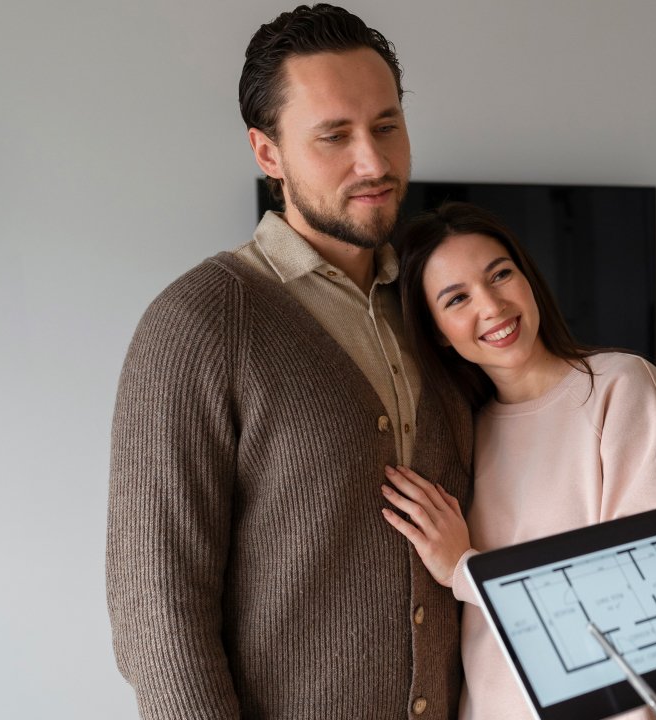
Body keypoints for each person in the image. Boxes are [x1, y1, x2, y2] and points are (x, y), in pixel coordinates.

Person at [106, 5, 471, 718]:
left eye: (387, 126)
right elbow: (157, 613)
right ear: (267, 153)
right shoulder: (201, 322)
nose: (374, 162)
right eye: (334, 136)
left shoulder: (434, 307)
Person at [376, 201, 656, 719]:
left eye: (500, 274)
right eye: (457, 298)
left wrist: (464, 568)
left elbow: (646, 596)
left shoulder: (622, 387)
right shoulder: (464, 434)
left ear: (528, 277)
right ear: (436, 330)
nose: (492, 306)